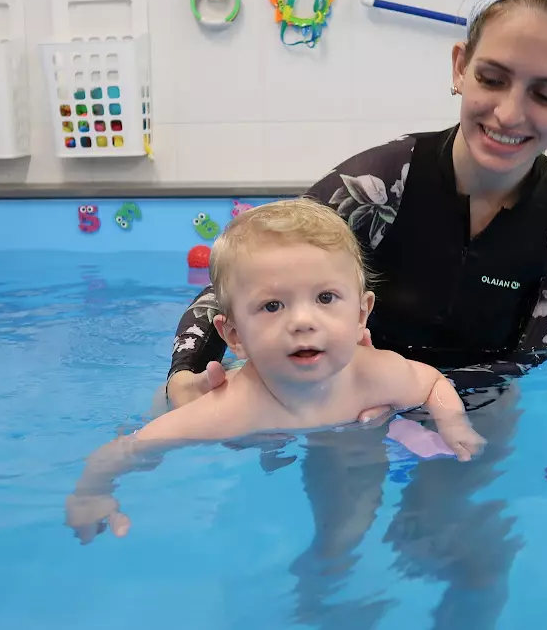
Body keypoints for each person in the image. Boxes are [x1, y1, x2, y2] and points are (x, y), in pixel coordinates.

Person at [163, 0, 547, 629]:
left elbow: (531, 358)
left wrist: (418, 401)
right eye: (492, 78)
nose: (508, 112)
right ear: (459, 65)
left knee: (472, 554)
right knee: (338, 542)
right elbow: (226, 296)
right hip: (340, 388)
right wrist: (187, 374)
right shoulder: (377, 187)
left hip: (472, 397)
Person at [66, 199, 485, 544]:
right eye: (272, 305)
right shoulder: (233, 408)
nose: (303, 321)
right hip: (225, 385)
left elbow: (431, 381)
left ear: (362, 315)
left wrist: (453, 421)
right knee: (162, 407)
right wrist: (91, 492)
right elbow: (131, 448)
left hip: (331, 433)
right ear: (234, 335)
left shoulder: (375, 374)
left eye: (325, 297)